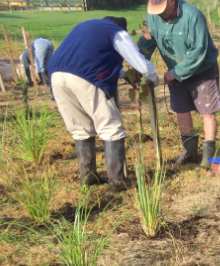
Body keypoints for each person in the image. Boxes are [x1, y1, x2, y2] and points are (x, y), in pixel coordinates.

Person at [48, 16, 159, 190]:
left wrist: (124, 75)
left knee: (80, 129)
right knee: (110, 127)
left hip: (56, 75)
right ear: (120, 27)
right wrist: (153, 76)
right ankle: (117, 182)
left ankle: (88, 177)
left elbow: (90, 60)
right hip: (86, 77)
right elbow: (140, 64)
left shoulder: (85, 25)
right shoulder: (117, 33)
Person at [137, 0, 220, 170]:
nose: (158, 13)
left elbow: (198, 51)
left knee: (206, 112)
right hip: (174, 71)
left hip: (202, 69)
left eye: (161, 7)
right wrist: (139, 66)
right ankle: (189, 152)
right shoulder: (151, 18)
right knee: (181, 110)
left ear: (172, 0)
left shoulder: (193, 15)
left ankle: (208, 157)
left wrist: (175, 73)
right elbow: (144, 43)